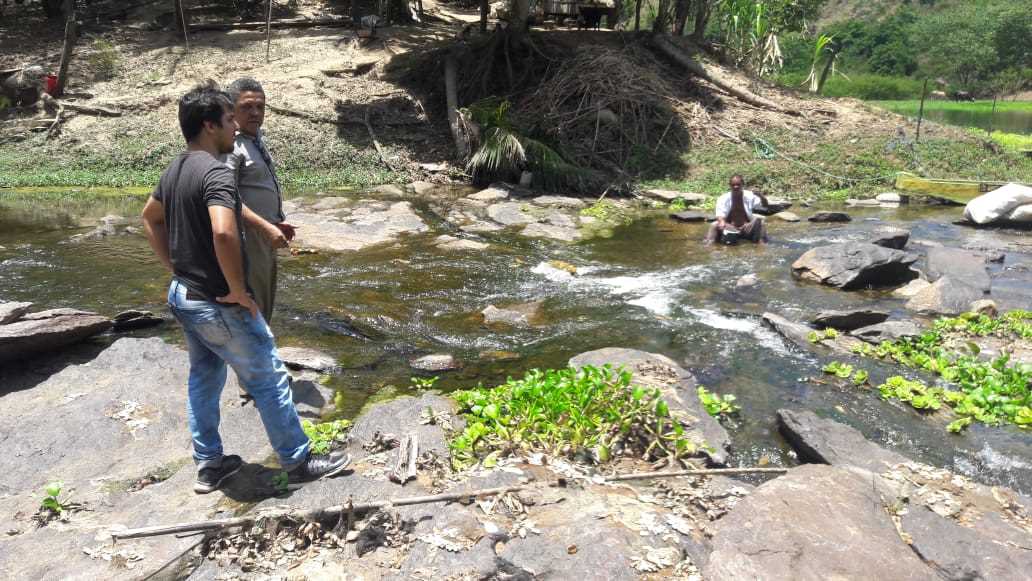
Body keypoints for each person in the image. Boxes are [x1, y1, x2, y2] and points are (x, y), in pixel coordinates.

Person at [141, 81, 349, 494]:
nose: (236, 126)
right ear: (209, 125)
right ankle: (299, 459)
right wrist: (238, 289)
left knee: (204, 375)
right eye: (229, 119)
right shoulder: (216, 171)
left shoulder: (176, 167)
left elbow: (149, 218)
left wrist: (176, 268)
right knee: (269, 376)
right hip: (218, 301)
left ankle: (210, 464)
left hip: (185, 293)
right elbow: (222, 231)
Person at [224, 77, 293, 404]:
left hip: (264, 237)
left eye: (260, 106)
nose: (255, 112)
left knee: (263, 303)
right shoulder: (233, 147)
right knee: (250, 305)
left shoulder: (255, 140)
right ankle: (250, 381)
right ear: (231, 110)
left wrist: (275, 222)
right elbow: (227, 198)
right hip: (246, 241)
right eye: (246, 107)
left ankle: (259, 370)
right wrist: (264, 227)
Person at [705, 175, 769, 245]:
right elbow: (720, 215)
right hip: (730, 228)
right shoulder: (723, 198)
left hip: (747, 227)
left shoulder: (750, 196)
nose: (736, 187)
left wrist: (761, 196)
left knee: (761, 222)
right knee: (714, 225)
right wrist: (721, 221)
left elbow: (765, 206)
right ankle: (709, 245)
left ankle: (762, 245)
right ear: (730, 185)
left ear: (743, 185)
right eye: (733, 185)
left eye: (738, 185)